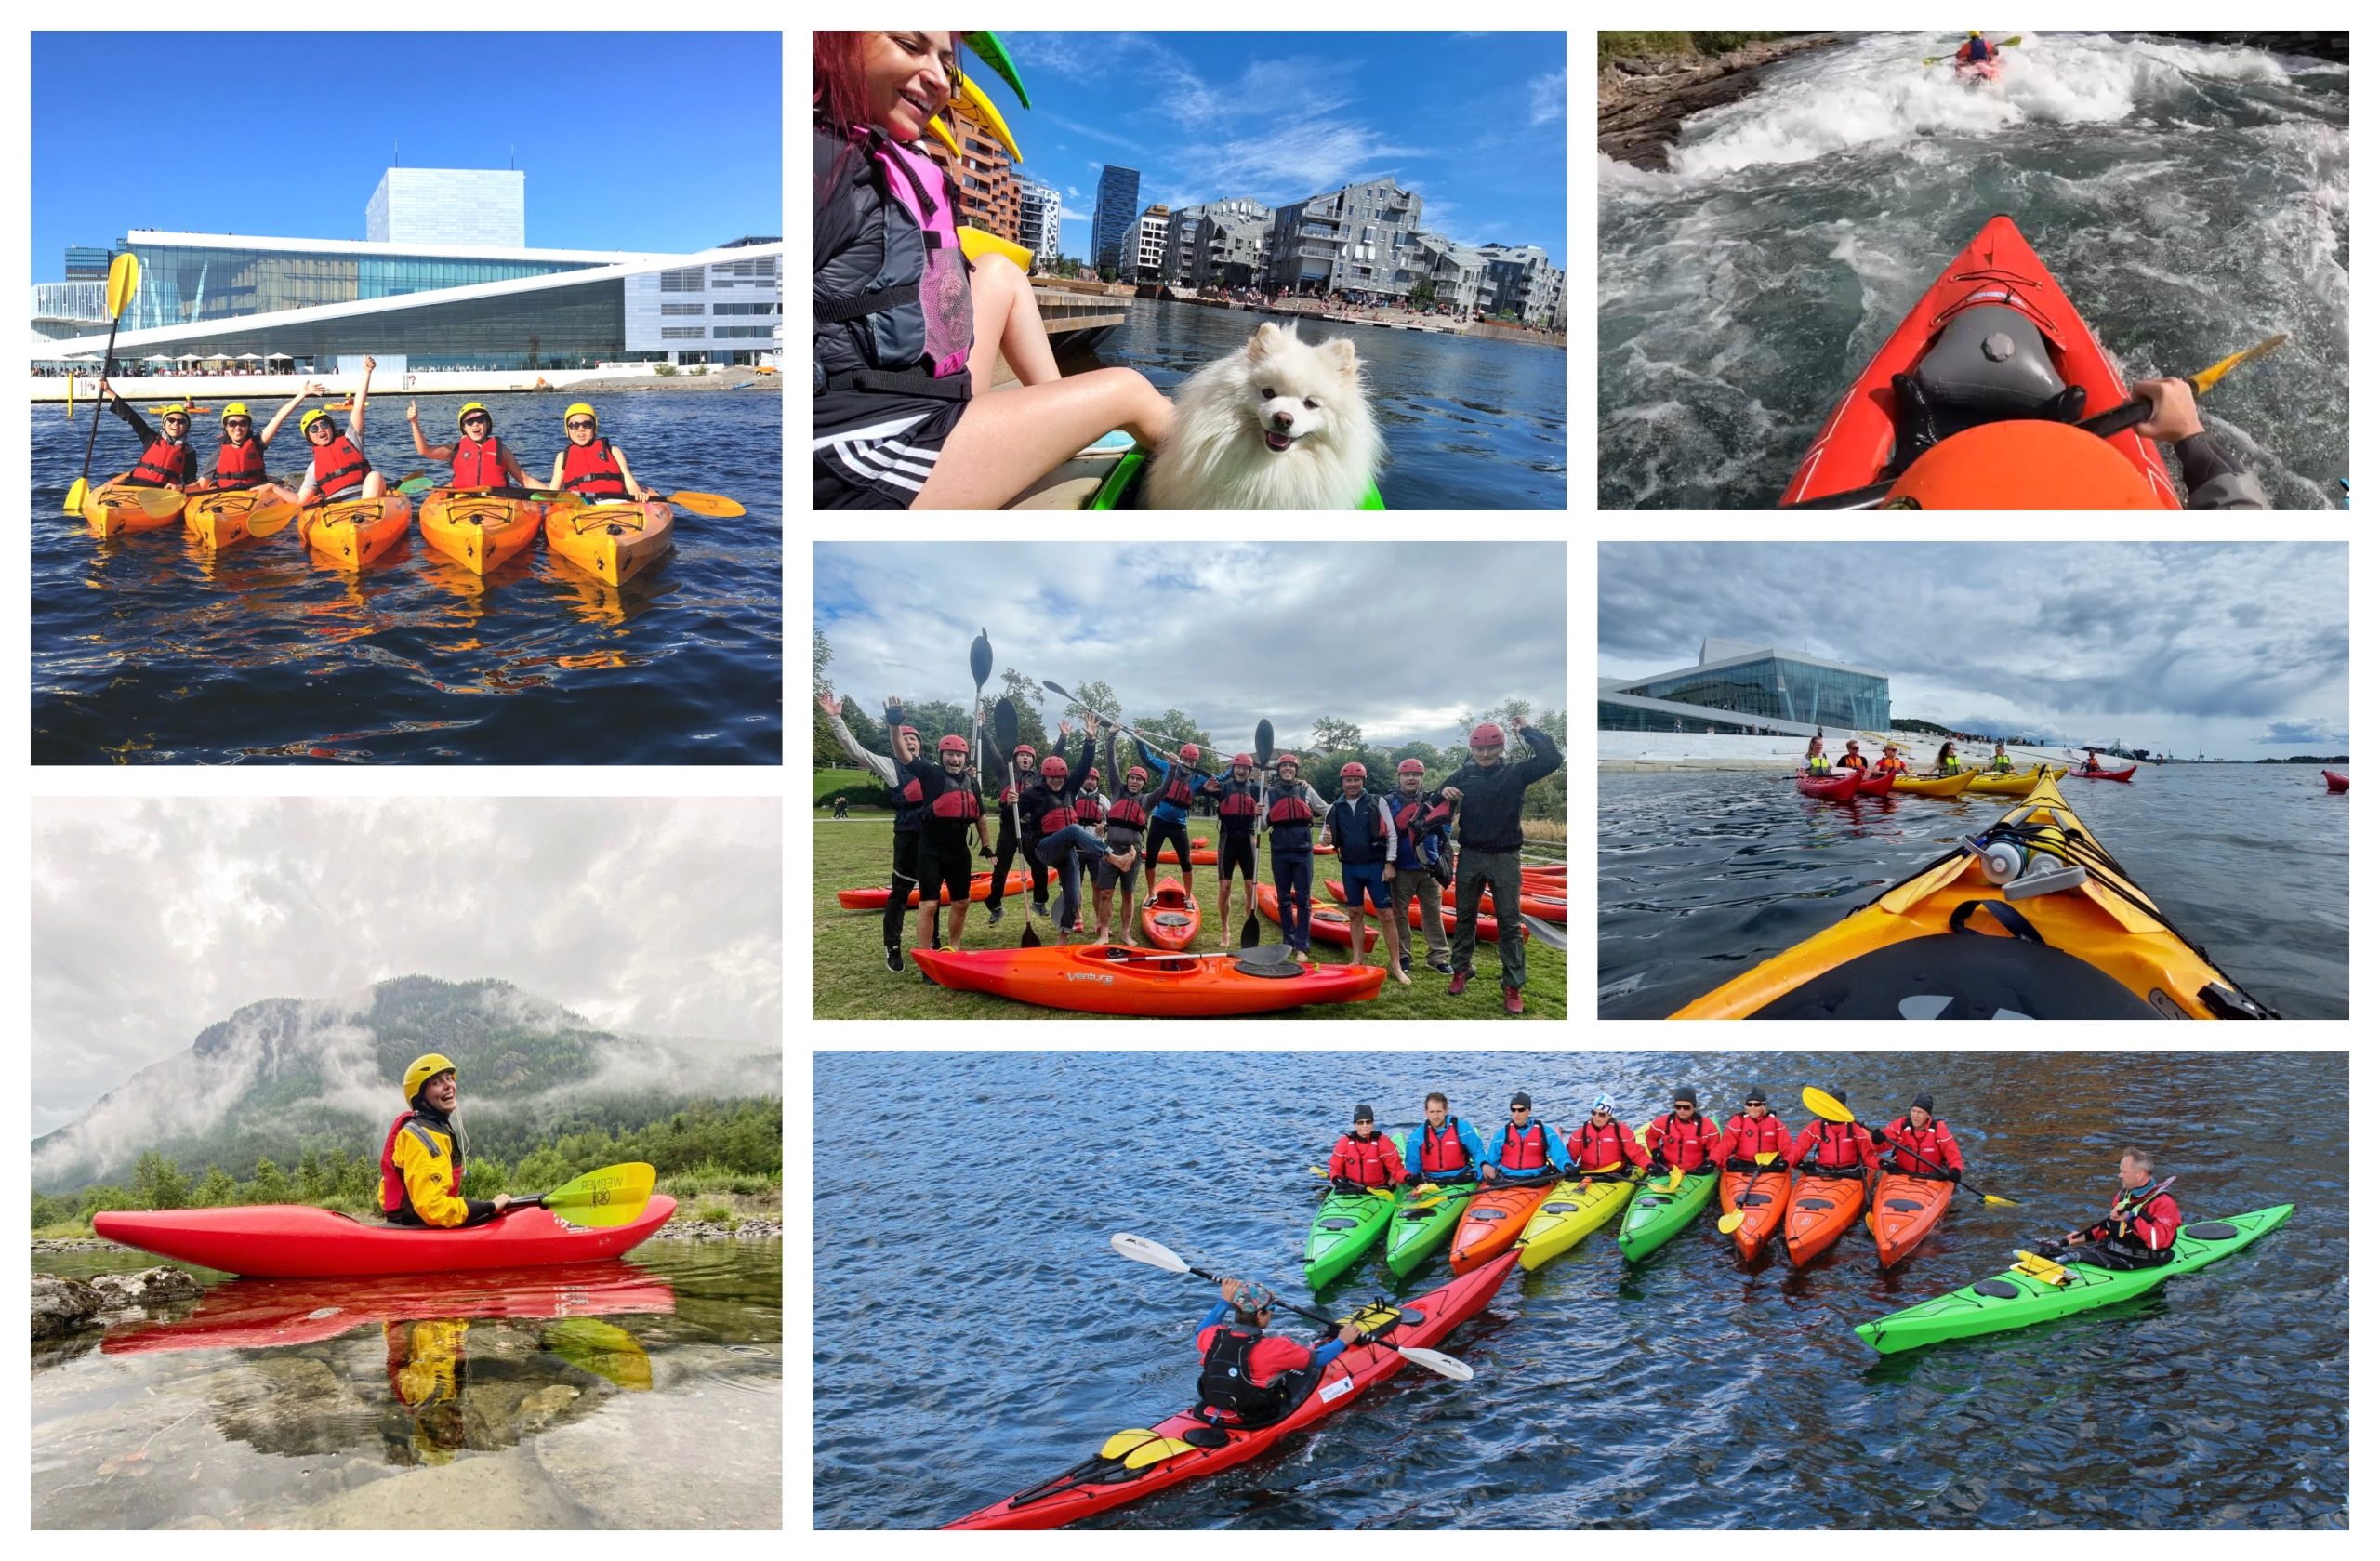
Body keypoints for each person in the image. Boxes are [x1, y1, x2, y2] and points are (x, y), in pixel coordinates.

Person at [813, 30, 1173, 509]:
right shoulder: (823, 163)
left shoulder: (875, 154)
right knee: (1127, 390)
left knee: (1000, 273)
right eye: (909, 44)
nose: (938, 78)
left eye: (946, 62)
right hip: (862, 450)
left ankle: (1065, 427)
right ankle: (1241, 471)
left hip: (917, 393)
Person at [1436, 721, 1566, 1014]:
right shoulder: (1464, 775)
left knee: (1508, 922)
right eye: (1479, 747)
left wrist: (1529, 730)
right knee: (1465, 916)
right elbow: (1434, 798)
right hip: (1469, 855)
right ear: (1472, 748)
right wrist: (1444, 796)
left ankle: (1513, 985)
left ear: (1501, 747)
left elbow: (1552, 760)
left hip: (1505, 857)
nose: (1485, 753)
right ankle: (1461, 968)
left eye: (1491, 747)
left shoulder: (1516, 773)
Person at [818, 691, 928, 972]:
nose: (910, 743)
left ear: (920, 746)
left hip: (931, 840)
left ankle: (932, 943)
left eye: (914, 740)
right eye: (905, 739)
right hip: (907, 837)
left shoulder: (932, 769)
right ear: (897, 744)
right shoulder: (890, 765)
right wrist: (836, 720)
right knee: (901, 894)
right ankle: (892, 947)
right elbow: (855, 750)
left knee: (931, 895)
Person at [1192, 1279, 1365, 1431]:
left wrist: (1224, 1301)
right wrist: (1342, 1340)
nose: (1272, 1315)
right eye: (1271, 1310)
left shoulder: (1213, 1336)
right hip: (1254, 1414)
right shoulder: (1275, 1348)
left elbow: (1201, 1330)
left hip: (1213, 1399)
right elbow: (1320, 1359)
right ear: (1260, 1314)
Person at [1017, 730, 1136, 943]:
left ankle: (1061, 939)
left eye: (1060, 778)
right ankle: (1115, 859)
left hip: (1067, 851)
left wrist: (1090, 740)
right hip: (1044, 848)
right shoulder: (1032, 793)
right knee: (1073, 829)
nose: (1057, 781)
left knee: (1073, 896)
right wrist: (1009, 804)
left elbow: (1083, 766)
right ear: (1045, 776)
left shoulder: (1069, 788)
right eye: (1052, 778)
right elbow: (1011, 818)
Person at [894, 732, 996, 968]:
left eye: (959, 755)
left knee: (962, 902)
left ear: (965, 757)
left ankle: (954, 948)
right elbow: (903, 755)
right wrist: (894, 725)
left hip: (959, 851)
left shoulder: (972, 782)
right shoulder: (930, 773)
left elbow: (980, 816)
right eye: (950, 754)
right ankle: (926, 958)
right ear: (942, 755)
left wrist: (987, 846)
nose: (955, 759)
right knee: (929, 904)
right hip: (931, 850)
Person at [381, 1053, 512, 1227]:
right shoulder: (422, 1136)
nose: (448, 1086)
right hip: (415, 1228)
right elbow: (433, 1207)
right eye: (436, 1082)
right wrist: (490, 1206)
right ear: (420, 1096)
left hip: (417, 1223)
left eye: (449, 1078)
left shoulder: (435, 1128)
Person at [1318, 762, 1406, 985]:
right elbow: (1324, 837)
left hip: (1376, 865)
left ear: (1363, 781)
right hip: (1350, 867)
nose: (1353, 784)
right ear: (1342, 782)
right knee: (1355, 913)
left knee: (1386, 915)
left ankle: (1396, 964)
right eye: (1348, 780)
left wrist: (1390, 863)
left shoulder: (1377, 802)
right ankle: (1358, 958)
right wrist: (1325, 840)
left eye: (1357, 780)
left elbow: (1392, 834)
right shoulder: (1335, 807)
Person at [2053, 1149, 2181, 1271]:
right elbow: (2112, 1225)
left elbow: (2160, 1242)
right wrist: (2086, 1236)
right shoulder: (2123, 1195)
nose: (2119, 1175)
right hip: (2113, 1250)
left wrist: (2130, 1218)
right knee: (2058, 1254)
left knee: (2074, 1256)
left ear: (2140, 1174)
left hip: (2141, 1259)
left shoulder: (2164, 1203)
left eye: (2123, 1172)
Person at [292, 359, 390, 506]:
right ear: (309, 437)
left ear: (331, 427)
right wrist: (272, 487)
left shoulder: (351, 439)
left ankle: (367, 514)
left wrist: (367, 372)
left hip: (367, 500)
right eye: (314, 428)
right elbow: (300, 500)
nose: (320, 430)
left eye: (324, 424)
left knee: (374, 476)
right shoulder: (314, 468)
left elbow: (358, 408)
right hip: (338, 511)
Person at [1387, 760, 1453, 975]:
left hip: (1429, 867)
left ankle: (1438, 956)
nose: (1411, 778)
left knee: (1433, 913)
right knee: (1399, 914)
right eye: (1406, 775)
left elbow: (1445, 829)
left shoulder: (1432, 801)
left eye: (1416, 774)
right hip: (1401, 867)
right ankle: (1403, 955)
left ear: (1422, 777)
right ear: (1399, 777)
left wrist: (1441, 860)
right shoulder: (1389, 802)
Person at [1259, 752, 1329, 956]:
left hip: (1303, 851)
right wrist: (1258, 814)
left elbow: (1327, 810)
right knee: (1283, 899)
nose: (1287, 769)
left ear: (1296, 770)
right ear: (1279, 771)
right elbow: (1263, 826)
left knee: (1304, 899)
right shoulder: (1270, 794)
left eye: (1291, 766)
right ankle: (1288, 940)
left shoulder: (1306, 790)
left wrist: (1327, 831)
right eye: (1283, 766)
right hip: (1279, 852)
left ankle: (1302, 945)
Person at [191, 390, 311, 501]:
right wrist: (180, 489)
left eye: (243, 423)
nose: (238, 428)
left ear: (248, 426)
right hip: (228, 497)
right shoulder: (217, 454)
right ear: (226, 427)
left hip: (255, 495)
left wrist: (302, 394)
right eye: (232, 423)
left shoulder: (258, 443)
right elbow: (202, 485)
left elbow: (279, 417)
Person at [1132, 735, 1211, 906]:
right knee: (1151, 858)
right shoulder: (1168, 767)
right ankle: (1151, 893)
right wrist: (1139, 741)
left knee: (1186, 862)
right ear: (1180, 758)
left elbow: (1217, 782)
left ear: (1196, 762)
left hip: (1179, 825)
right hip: (1159, 821)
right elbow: (1148, 759)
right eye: (1186, 759)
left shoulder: (1198, 780)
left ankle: (1188, 897)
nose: (1189, 763)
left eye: (1192, 761)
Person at [1095, 720, 1156, 942]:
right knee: (1106, 894)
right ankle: (1104, 933)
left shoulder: (1147, 801)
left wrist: (1175, 768)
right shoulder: (1116, 791)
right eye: (1132, 777)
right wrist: (1111, 737)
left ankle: (1127, 934)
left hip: (1133, 852)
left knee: (1128, 894)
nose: (1134, 781)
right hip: (1110, 850)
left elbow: (1167, 788)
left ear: (1143, 783)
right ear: (1127, 779)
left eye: (1139, 779)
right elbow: (1111, 764)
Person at [984, 734, 1051, 924]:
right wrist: (985, 730)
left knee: (1039, 868)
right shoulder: (1007, 773)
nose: (1025, 758)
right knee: (1000, 870)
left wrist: (1062, 737)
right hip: (1008, 829)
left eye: (1028, 756)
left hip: (1029, 829)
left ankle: (1039, 901)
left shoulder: (1039, 778)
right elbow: (993, 753)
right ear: (1016, 758)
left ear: (1033, 760)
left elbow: (1055, 758)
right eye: (1021, 755)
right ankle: (995, 906)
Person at [407, 400, 538, 490]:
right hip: (463, 502)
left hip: (497, 502)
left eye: (480, 420)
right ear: (464, 428)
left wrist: (554, 494)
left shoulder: (502, 450)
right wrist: (414, 422)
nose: (475, 424)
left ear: (487, 423)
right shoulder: (456, 449)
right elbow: (424, 450)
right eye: (469, 422)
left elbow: (525, 480)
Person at [1204, 752, 1264, 947]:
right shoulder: (1223, 788)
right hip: (1227, 839)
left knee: (1250, 889)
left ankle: (1249, 928)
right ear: (1233, 769)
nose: (1242, 770)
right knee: (1224, 888)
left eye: (1246, 768)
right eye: (1238, 767)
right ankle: (1225, 930)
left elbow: (1280, 792)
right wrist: (1206, 787)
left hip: (1247, 840)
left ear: (1250, 770)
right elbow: (1201, 787)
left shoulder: (1257, 789)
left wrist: (1303, 783)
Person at [97, 389, 199, 489]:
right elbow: (132, 417)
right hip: (135, 484)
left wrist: (182, 488)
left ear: (187, 426)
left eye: (181, 422)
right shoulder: (151, 438)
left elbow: (190, 480)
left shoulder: (188, 452)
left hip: (163, 492)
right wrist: (108, 390)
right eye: (171, 420)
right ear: (164, 423)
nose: (175, 424)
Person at [549, 403, 650, 503]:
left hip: (616, 503)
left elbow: (630, 483)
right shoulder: (562, 457)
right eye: (574, 425)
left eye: (587, 424)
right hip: (580, 507)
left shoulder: (614, 451)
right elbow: (552, 493)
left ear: (595, 427)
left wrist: (638, 493)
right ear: (567, 429)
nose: (581, 429)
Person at [1479, 1092, 1575, 1184]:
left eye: (1521, 1110)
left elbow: (1560, 1155)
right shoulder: (1502, 1134)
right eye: (1513, 1110)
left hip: (1536, 1180)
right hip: (1507, 1179)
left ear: (1529, 1110)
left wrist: (1567, 1166)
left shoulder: (1545, 1132)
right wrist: (1480, 1171)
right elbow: (1490, 1161)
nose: (1517, 1114)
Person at [1400, 1091, 1487, 1191]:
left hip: (1462, 1179)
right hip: (1431, 1182)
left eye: (1439, 1111)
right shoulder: (1416, 1137)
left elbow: (1478, 1153)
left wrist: (1480, 1171)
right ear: (1426, 1113)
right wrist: (1411, 1181)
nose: (1435, 1116)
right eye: (1432, 1112)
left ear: (1446, 1111)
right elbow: (1412, 1166)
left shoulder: (1462, 1128)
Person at [1792, 1086, 1882, 1181]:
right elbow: (1797, 1150)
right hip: (1823, 1170)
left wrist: (1882, 1164)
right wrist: (1793, 1163)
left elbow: (1868, 1157)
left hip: (1850, 1171)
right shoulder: (1816, 1127)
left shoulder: (1855, 1128)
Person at [1644, 1088, 1723, 1188]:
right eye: (1678, 1107)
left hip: (1695, 1171)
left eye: (1686, 1107)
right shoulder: (1661, 1122)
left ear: (1694, 1107)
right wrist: (1655, 1151)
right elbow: (1650, 1137)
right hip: (1667, 1170)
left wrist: (1711, 1163)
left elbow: (1716, 1150)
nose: (1681, 1110)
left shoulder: (1708, 1127)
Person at [1878, 1093, 1965, 1183]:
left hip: (1932, 1177)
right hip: (1902, 1172)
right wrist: (1877, 1141)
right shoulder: (1900, 1125)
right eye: (1913, 1111)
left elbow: (1954, 1157)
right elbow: (1879, 1148)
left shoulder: (1939, 1130)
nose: (1915, 1116)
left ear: (1928, 1115)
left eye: (1920, 1112)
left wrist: (1956, 1170)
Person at [1326, 1103, 1407, 1197]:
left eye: (1368, 1122)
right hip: (1351, 1189)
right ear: (1355, 1125)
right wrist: (1337, 1179)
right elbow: (1335, 1168)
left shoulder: (1383, 1143)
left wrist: (1409, 1178)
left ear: (1373, 1124)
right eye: (1360, 1122)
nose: (1365, 1126)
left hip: (1378, 1190)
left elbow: (1397, 1170)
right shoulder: (1344, 1143)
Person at [1567, 1094, 1651, 1180]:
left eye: (1602, 1114)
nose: (1597, 1116)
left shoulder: (1622, 1131)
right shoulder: (1580, 1133)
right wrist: (1565, 1167)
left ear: (1610, 1115)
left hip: (1615, 1172)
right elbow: (1569, 1156)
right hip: (1586, 1172)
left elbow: (1636, 1154)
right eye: (1594, 1113)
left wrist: (1649, 1165)